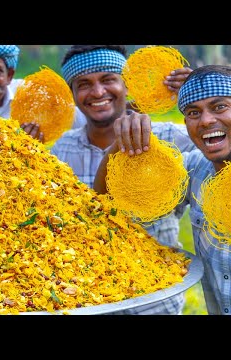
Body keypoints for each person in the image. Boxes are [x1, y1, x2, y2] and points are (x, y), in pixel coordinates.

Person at [50, 45, 196, 315]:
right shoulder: (60, 150)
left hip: (156, 299)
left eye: (108, 79)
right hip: (86, 301)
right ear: (72, 95)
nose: (97, 92)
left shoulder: (170, 139)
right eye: (83, 84)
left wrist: (201, 96)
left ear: (127, 86)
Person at [94, 64, 231, 315]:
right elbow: (106, 203)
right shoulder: (193, 171)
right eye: (193, 112)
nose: (206, 120)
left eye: (219, 106)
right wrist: (119, 145)